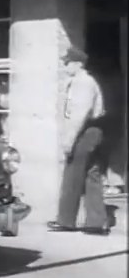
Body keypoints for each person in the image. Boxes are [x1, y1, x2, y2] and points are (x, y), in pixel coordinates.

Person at [47, 46, 109, 235]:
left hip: (83, 132)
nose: (65, 67)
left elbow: (78, 115)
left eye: (67, 63)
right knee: (92, 176)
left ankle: (65, 221)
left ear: (77, 64)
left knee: (72, 176)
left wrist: (69, 140)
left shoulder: (82, 83)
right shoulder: (83, 81)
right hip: (92, 132)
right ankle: (96, 223)